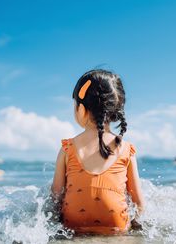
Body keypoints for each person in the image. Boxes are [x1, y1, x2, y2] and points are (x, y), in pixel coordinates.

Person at [51, 69, 145, 235]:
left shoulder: (67, 148)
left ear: (81, 108)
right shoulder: (126, 149)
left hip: (73, 225)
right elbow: (138, 203)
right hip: (116, 225)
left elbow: (56, 196)